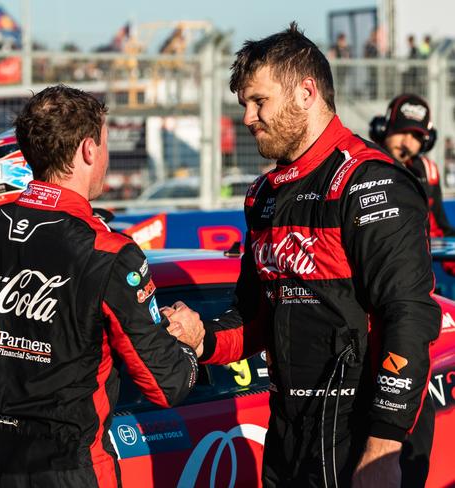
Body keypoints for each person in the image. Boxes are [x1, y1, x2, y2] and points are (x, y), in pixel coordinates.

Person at [165, 23, 441, 487]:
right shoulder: (263, 197)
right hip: (291, 432)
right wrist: (202, 339)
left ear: (306, 92)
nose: (248, 117)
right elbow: (254, 319)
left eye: (259, 101)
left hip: (363, 435)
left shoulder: (370, 181)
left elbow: (408, 317)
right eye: (244, 105)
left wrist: (384, 448)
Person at [0, 85, 199, 488]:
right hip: (69, 468)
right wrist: (187, 343)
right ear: (89, 149)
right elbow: (165, 384)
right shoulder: (108, 252)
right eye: (104, 145)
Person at [370, 93, 455, 237]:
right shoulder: (364, 166)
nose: (407, 143)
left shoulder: (428, 171)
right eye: (402, 132)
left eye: (416, 136)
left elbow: (441, 228)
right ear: (382, 128)